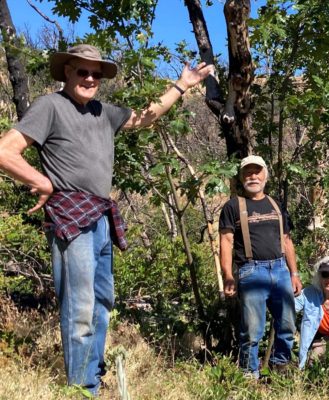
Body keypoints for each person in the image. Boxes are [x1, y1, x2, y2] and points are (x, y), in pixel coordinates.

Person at [0, 44, 214, 395]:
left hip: (99, 216)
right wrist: (40, 180)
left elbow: (146, 116)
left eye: (96, 73)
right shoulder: (50, 106)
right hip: (70, 216)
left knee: (102, 302)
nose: (89, 78)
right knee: (80, 307)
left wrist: (182, 85)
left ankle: (92, 377)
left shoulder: (103, 111)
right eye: (82, 71)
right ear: (67, 72)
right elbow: (5, 150)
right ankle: (82, 388)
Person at [218, 155, 303, 377]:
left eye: (257, 172)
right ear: (241, 177)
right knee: (252, 330)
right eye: (247, 172)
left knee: (287, 325)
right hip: (251, 271)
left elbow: (287, 240)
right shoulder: (233, 206)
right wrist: (227, 275)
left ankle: (280, 369)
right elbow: (225, 242)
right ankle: (249, 375)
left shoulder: (276, 204)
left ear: (265, 175)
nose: (252, 176)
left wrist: (294, 273)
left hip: (281, 271)